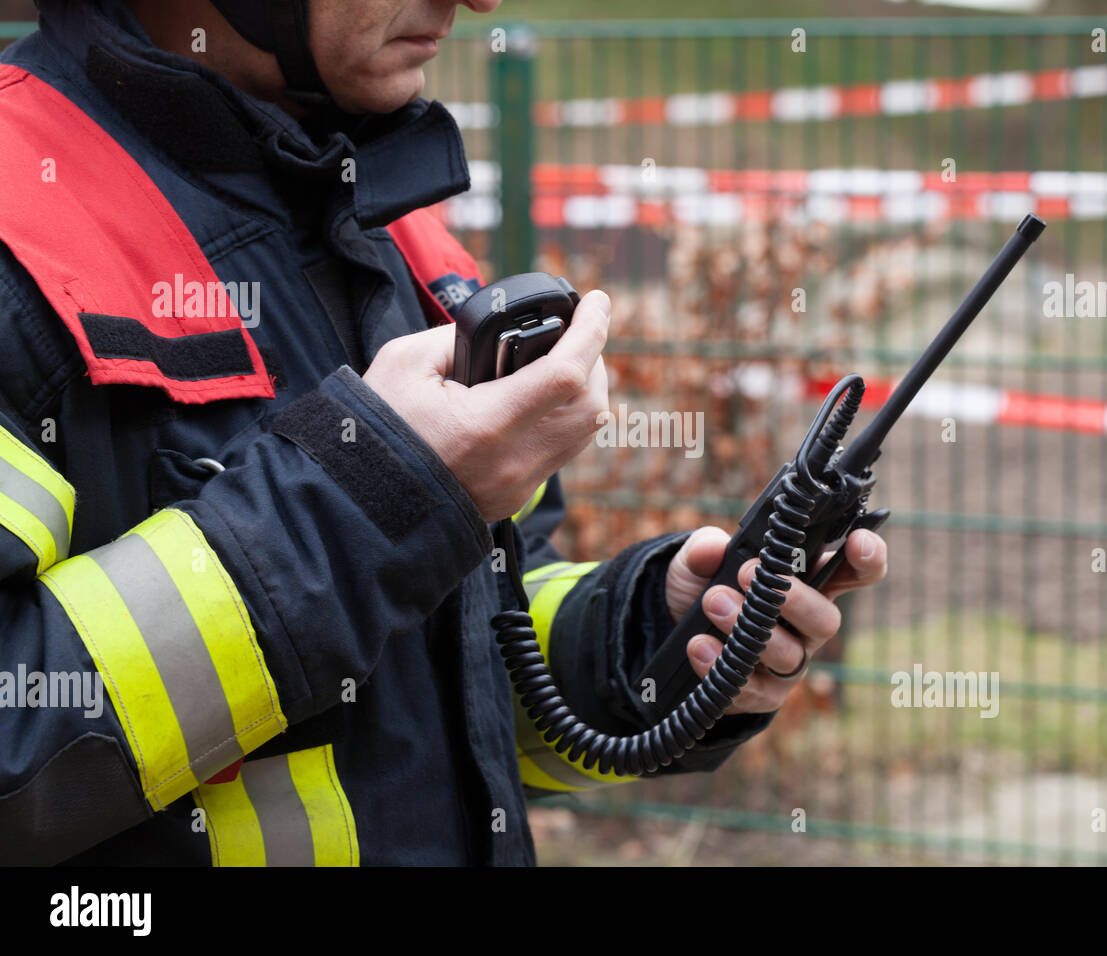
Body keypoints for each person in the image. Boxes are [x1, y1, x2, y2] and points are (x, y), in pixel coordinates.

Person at [0, 0, 887, 866]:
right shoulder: (17, 225)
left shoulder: (391, 228)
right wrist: (370, 498)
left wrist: (648, 640)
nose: (477, 0)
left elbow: (468, 669)